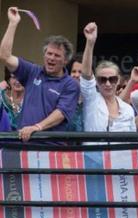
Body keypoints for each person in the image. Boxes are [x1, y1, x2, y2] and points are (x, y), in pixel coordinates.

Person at [0, 7, 80, 142]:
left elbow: (60, 114)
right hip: (24, 145)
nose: (51, 58)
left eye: (57, 55)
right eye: (49, 53)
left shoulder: (71, 84)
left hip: (51, 148)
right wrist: (13, 24)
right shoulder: (32, 71)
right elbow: (5, 56)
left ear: (65, 60)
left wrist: (37, 127)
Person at [81, 22, 135, 132]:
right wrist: (90, 43)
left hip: (122, 149)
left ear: (119, 79)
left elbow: (132, 140)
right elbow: (86, 75)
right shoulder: (92, 99)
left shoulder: (128, 109)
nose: (108, 84)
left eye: (112, 79)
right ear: (96, 81)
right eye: (102, 79)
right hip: (95, 149)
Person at [66, 53, 84, 132]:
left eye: (80, 72)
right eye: (73, 71)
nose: (76, 75)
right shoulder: (62, 98)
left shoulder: (94, 99)